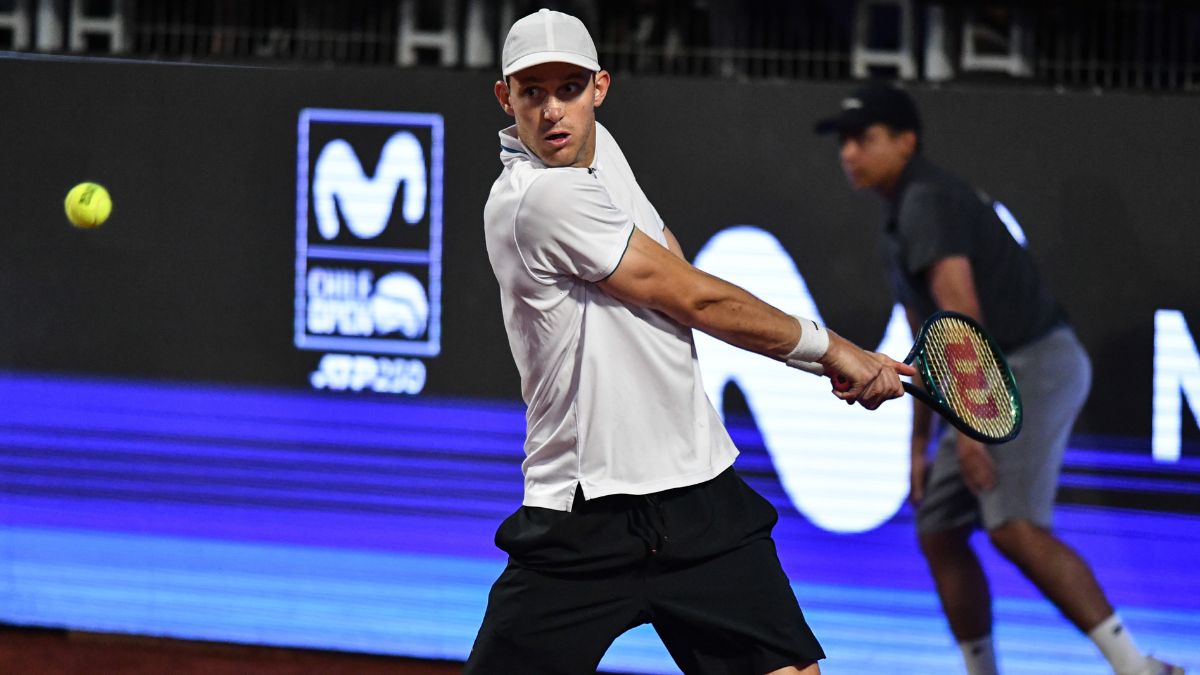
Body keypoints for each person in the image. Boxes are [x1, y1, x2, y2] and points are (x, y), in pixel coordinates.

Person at [470, 9, 914, 675]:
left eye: (569, 88)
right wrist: (831, 351)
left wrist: (823, 356)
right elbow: (692, 296)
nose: (553, 111)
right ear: (506, 98)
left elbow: (672, 261)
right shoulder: (538, 200)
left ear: (600, 87)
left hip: (697, 493)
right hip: (586, 511)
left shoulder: (601, 150)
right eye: (532, 92)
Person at [815, 82, 1184, 675]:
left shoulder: (927, 200)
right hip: (980, 378)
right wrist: (918, 445)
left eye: (864, 138)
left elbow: (962, 318)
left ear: (907, 141)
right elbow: (927, 345)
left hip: (1030, 365)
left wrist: (970, 432)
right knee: (938, 528)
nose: (849, 152)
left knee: (1013, 526)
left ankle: (1139, 668)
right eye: (843, 142)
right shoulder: (898, 220)